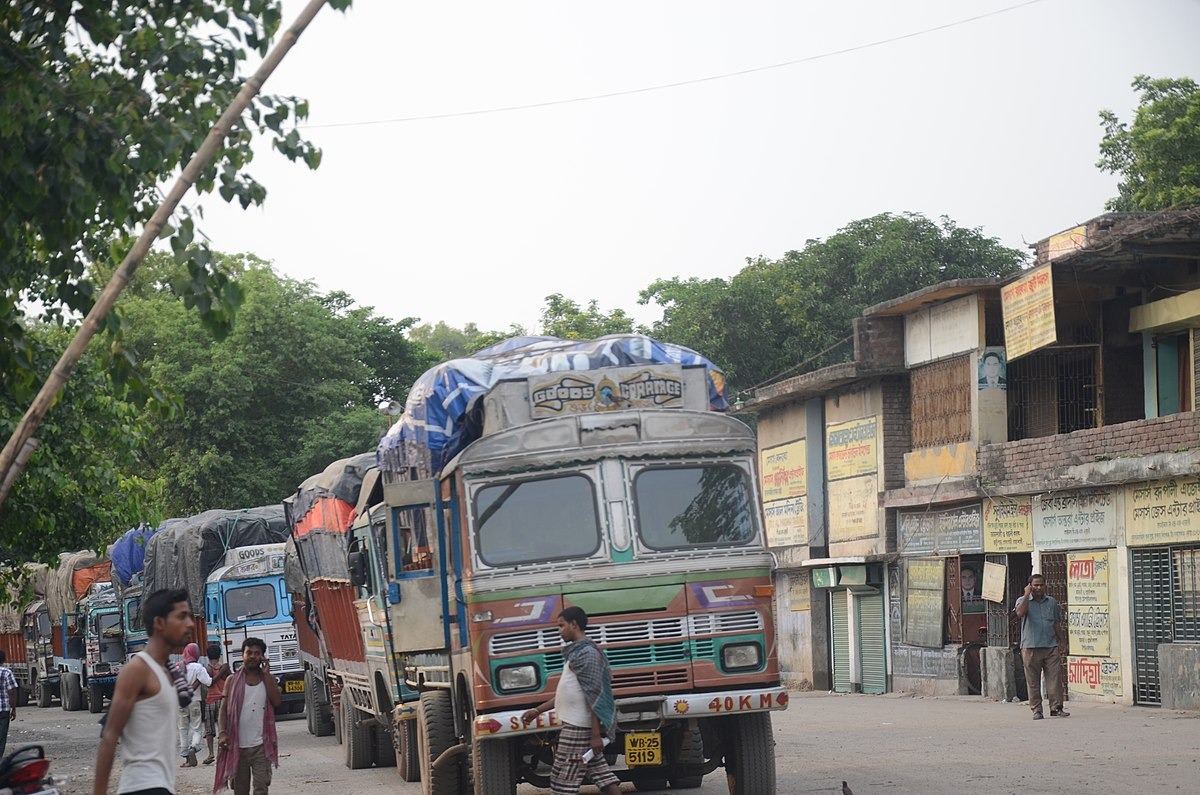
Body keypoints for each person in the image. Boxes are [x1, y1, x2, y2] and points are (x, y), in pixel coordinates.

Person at [94, 587, 195, 795]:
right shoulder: (138, 670)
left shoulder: (166, 670)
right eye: (182, 617)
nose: (190, 624)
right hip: (142, 787)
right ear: (159, 623)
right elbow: (110, 735)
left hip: (160, 786)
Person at [521, 606, 620, 795]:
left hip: (578, 727)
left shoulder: (587, 655)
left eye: (561, 626)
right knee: (601, 775)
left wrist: (595, 734)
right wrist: (538, 710)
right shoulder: (576, 654)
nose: (560, 631)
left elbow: (595, 697)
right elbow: (567, 692)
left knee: (562, 780)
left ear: (574, 625)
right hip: (577, 725)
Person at [214, 638, 281, 795]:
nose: (252, 656)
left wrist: (267, 674)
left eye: (257, 653)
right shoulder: (231, 680)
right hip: (238, 746)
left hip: (261, 746)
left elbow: (277, 701)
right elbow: (223, 710)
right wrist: (222, 733)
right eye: (248, 652)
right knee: (240, 790)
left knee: (261, 788)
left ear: (262, 657)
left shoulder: (267, 680)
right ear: (242, 655)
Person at [1015, 573, 1069, 720]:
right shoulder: (1022, 600)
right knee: (1033, 681)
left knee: (1055, 678)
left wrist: (1062, 641)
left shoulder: (1051, 602)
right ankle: (1037, 710)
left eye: (1041, 585)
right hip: (1030, 647)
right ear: (1030, 586)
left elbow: (1056, 623)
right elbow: (1020, 613)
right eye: (1035, 585)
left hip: (1050, 646)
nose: (1039, 588)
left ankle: (1056, 707)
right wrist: (1027, 595)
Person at [179, 642, 212, 767]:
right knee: (196, 727)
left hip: (180, 702)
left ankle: (187, 758)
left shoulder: (178, 667)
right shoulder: (198, 667)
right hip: (194, 701)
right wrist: (198, 680)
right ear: (196, 653)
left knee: (183, 729)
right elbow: (208, 682)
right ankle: (194, 747)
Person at [202, 644, 231, 765]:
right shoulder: (224, 668)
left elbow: (206, 684)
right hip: (222, 700)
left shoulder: (206, 669)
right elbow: (231, 679)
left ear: (208, 656)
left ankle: (211, 753)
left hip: (210, 700)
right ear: (219, 655)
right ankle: (221, 753)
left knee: (209, 730)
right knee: (222, 728)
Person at [0, 649, 18, 759]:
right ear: (3, 659)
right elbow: (11, 692)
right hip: (3, 710)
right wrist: (14, 708)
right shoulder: (7, 672)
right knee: (2, 736)